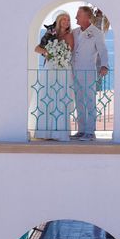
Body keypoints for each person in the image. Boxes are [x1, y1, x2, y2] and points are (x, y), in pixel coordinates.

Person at [32, 11, 75, 141]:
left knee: (60, 97)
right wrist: (47, 53)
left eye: (68, 20)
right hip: (49, 68)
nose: (66, 22)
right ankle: (45, 132)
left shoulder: (70, 35)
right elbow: (37, 48)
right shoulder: (50, 33)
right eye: (63, 19)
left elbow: (70, 52)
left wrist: (60, 56)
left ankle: (59, 132)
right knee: (47, 97)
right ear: (58, 21)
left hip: (63, 69)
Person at [71, 6, 109, 141]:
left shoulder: (96, 32)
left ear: (87, 17)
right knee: (79, 101)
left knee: (90, 101)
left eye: (78, 15)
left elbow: (103, 51)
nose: (76, 18)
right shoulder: (74, 32)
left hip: (88, 72)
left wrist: (104, 65)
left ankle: (90, 131)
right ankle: (81, 130)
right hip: (74, 71)